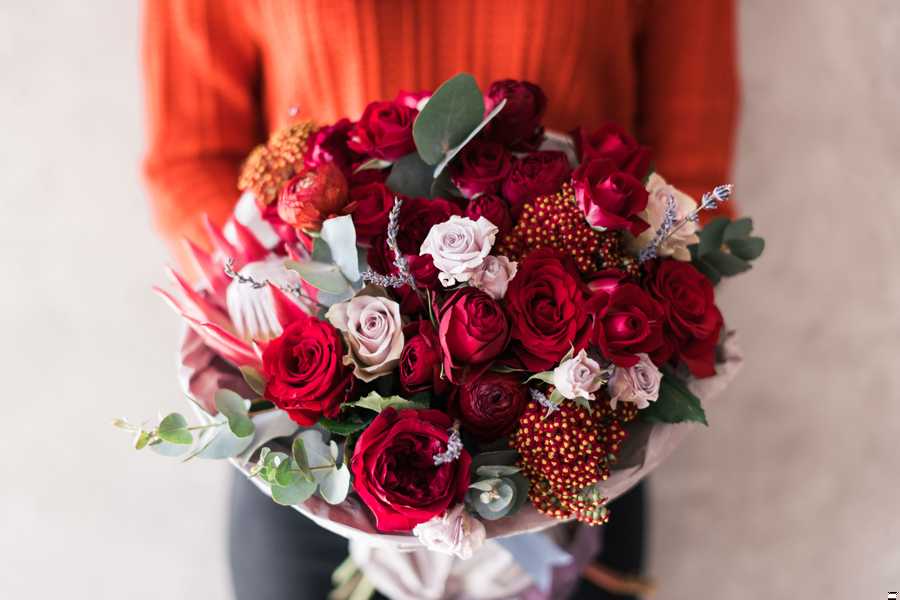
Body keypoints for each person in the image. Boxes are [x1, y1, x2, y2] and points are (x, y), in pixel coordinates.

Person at [141, 2, 738, 598]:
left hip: (581, 451)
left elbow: (689, 169)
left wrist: (525, 510)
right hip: (303, 448)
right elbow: (191, 161)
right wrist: (355, 472)